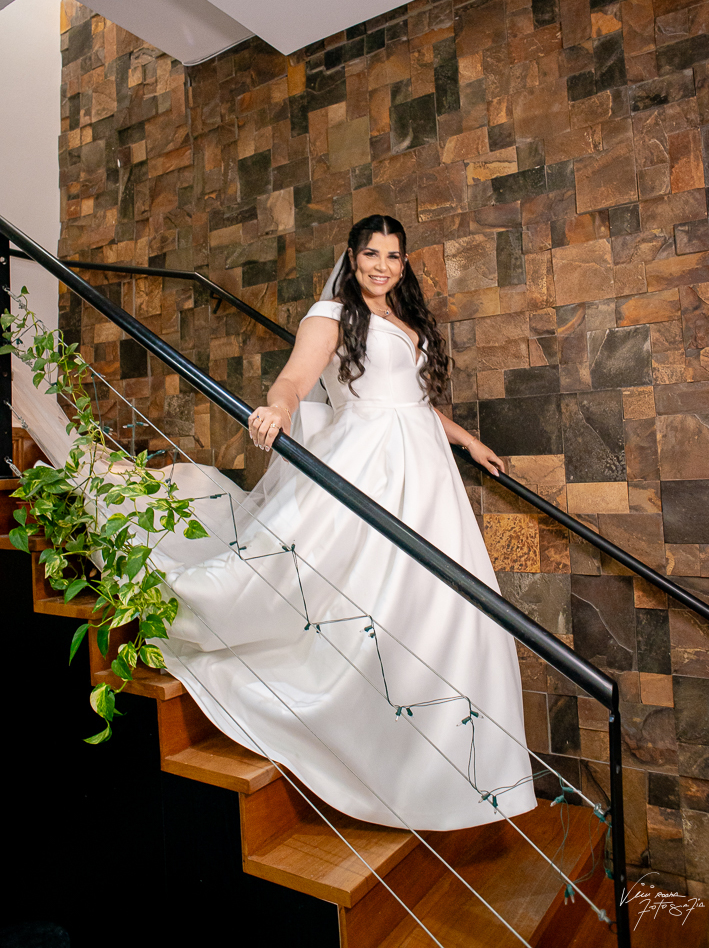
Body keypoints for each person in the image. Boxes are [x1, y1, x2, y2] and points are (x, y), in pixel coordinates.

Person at [159, 214, 536, 830]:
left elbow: (414, 404)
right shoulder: (332, 314)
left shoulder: (405, 321)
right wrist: (277, 410)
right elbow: (294, 379)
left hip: (428, 475)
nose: (381, 265)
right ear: (353, 258)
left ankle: (431, 768)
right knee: (354, 587)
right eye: (370, 254)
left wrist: (468, 441)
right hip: (367, 465)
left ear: (404, 264)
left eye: (392, 256)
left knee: (439, 602)